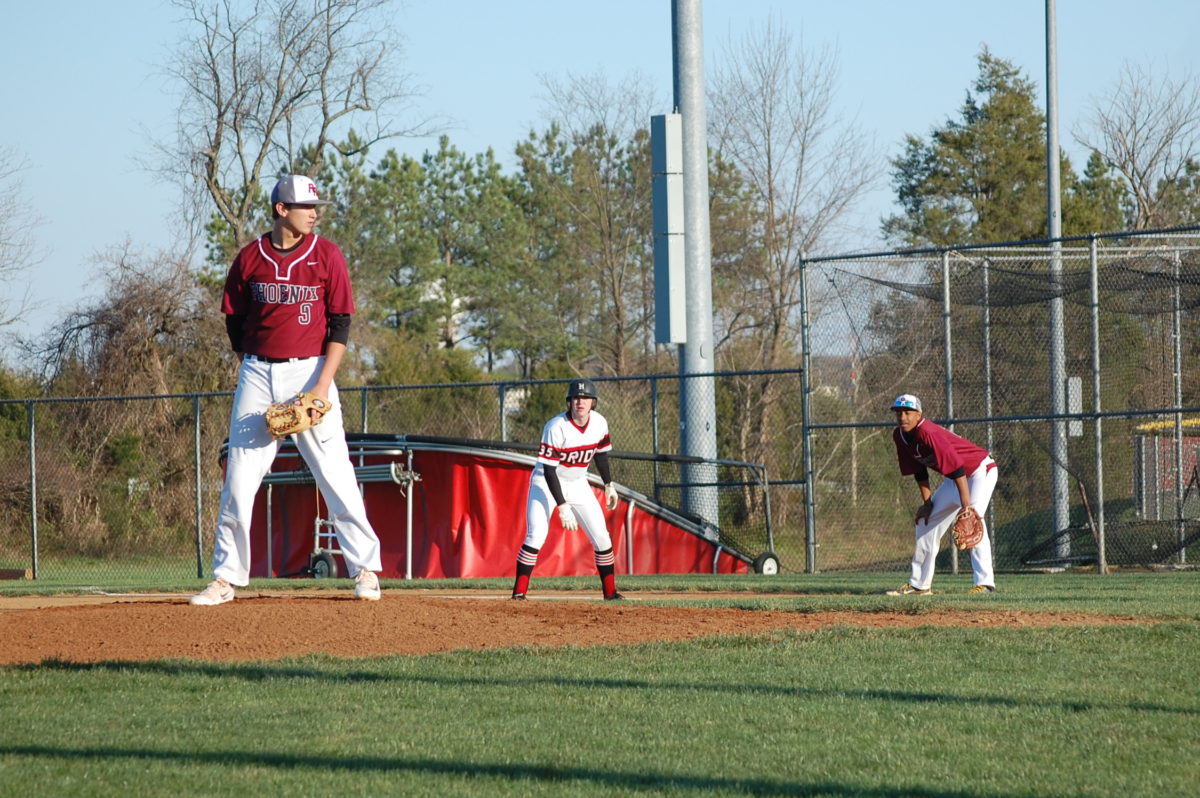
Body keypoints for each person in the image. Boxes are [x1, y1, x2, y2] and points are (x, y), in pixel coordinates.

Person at [191, 174, 383, 606]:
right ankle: (225, 578)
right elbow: (234, 323)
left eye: (316, 207)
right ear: (282, 210)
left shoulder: (327, 255)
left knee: (336, 475)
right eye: (306, 206)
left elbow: (340, 325)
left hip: (312, 372)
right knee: (239, 481)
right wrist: (255, 368)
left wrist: (321, 387)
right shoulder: (249, 259)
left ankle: (366, 569)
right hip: (258, 374)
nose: (314, 213)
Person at [512, 379, 623, 601]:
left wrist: (609, 484)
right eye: (576, 398)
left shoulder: (600, 423)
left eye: (585, 398)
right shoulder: (556, 426)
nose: (580, 401)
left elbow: (600, 454)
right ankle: (519, 593)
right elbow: (550, 471)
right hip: (545, 482)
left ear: (593, 402)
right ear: (569, 402)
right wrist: (562, 506)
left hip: (578, 482)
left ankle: (610, 594)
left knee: (602, 537)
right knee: (536, 535)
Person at [885, 393, 997, 596]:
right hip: (955, 479)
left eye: (908, 412)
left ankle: (985, 584)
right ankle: (920, 585)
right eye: (899, 413)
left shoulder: (928, 432)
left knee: (972, 521)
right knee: (925, 522)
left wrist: (966, 507)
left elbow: (957, 468)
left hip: (979, 471)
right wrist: (927, 503)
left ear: (919, 414)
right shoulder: (899, 436)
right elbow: (919, 470)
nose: (903, 417)